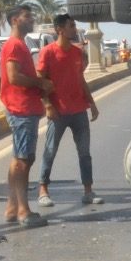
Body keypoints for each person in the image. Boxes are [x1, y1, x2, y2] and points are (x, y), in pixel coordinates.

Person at [0, 5, 56, 226]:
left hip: (24, 109)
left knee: (19, 159)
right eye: (26, 16)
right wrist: (41, 82)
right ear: (14, 20)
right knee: (24, 161)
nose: (31, 19)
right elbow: (14, 77)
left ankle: (12, 209)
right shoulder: (14, 45)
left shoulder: (20, 44)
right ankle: (23, 211)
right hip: (21, 109)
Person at [37, 13, 101, 206]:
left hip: (79, 111)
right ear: (60, 30)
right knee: (50, 150)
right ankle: (43, 191)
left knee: (84, 152)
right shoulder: (48, 52)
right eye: (72, 26)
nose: (75, 29)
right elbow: (40, 81)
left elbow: (81, 80)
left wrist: (92, 103)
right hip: (58, 112)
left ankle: (88, 191)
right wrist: (47, 105)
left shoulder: (75, 52)